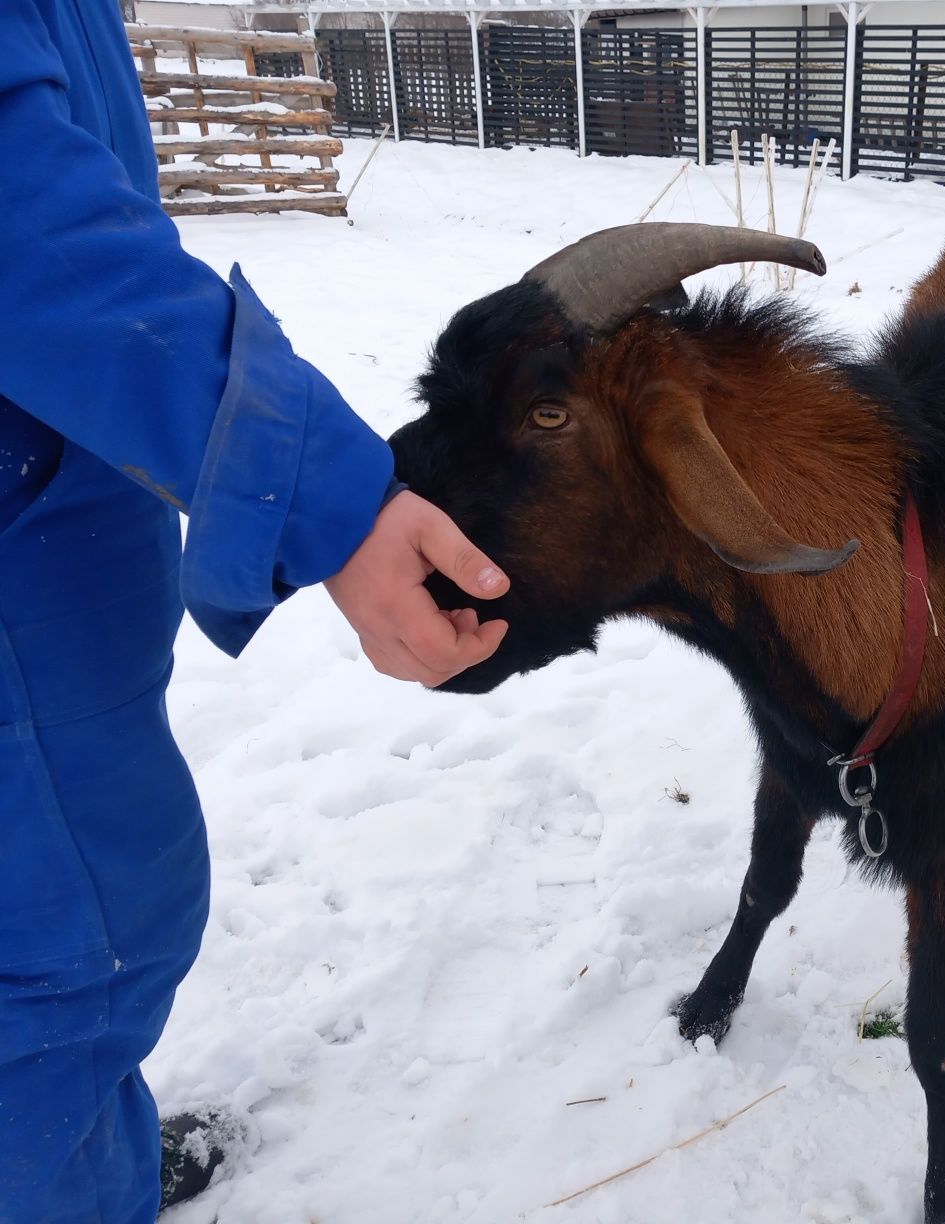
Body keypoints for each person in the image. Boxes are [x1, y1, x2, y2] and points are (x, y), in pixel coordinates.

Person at [1, 3, 512, 1219]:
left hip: (54, 488)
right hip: (20, 569)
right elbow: (24, 219)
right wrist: (324, 497)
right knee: (64, 965)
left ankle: (83, 1150)